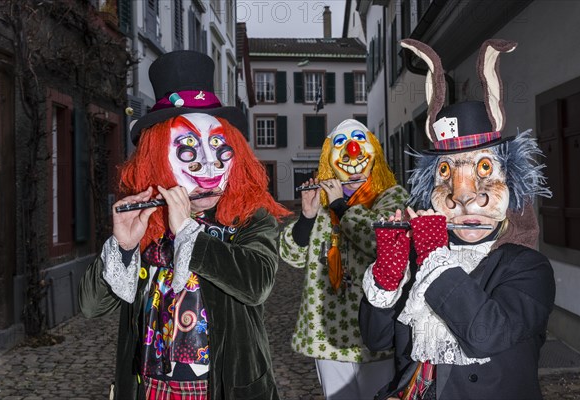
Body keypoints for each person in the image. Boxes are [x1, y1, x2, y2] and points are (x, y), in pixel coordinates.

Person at [78, 50, 291, 400]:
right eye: (188, 150)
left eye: (220, 149)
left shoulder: (251, 218)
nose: (208, 169)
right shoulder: (148, 220)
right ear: (157, 158)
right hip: (152, 388)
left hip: (223, 388)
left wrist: (188, 234)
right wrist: (125, 247)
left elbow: (256, 283)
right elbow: (91, 306)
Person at [359, 39, 555, 400]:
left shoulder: (529, 268)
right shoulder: (422, 262)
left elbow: (486, 334)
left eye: (483, 169)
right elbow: (377, 339)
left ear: (511, 187)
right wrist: (390, 272)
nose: (462, 195)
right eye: (446, 173)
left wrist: (435, 258)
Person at [279, 119, 409, 399]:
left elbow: (377, 243)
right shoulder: (323, 204)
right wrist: (308, 216)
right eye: (341, 145)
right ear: (329, 158)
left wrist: (341, 204)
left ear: (374, 153)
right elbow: (291, 254)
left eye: (360, 142)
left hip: (374, 334)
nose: (352, 151)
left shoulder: (391, 198)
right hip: (327, 334)